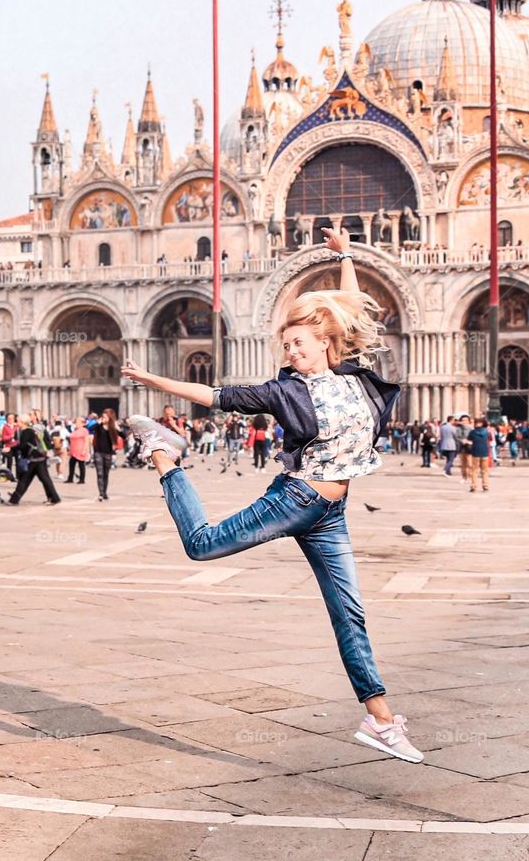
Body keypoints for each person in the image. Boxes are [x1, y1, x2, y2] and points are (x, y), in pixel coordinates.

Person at [121, 226, 423, 764]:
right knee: (202, 544)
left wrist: (346, 255)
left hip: (330, 513)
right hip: (296, 499)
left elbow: (349, 310)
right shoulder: (285, 391)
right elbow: (216, 395)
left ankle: (380, 721)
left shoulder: (354, 373)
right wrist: (153, 381)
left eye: (299, 344)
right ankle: (165, 454)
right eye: (285, 346)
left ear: (324, 342)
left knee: (348, 613)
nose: (292, 352)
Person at [6, 416, 61, 506]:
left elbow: (23, 446)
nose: (17, 422)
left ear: (23, 422)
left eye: (18, 421)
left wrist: (10, 448)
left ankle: (14, 500)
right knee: (42, 479)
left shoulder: (27, 431)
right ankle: (54, 498)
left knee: (25, 479)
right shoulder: (30, 430)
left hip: (34, 459)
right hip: (38, 458)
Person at [92, 408, 120, 501]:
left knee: (106, 474)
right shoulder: (99, 426)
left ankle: (104, 493)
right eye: (103, 416)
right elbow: (90, 429)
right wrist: (98, 422)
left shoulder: (112, 428)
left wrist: (117, 428)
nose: (103, 418)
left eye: (105, 416)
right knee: (100, 474)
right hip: (98, 452)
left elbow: (124, 435)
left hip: (108, 453)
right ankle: (100, 493)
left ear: (110, 417)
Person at [467, 417, 491, 492]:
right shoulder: (487, 432)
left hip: (475, 452)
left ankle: (473, 486)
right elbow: (490, 438)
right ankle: (485, 485)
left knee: (474, 470)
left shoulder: (473, 432)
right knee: (485, 471)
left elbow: (469, 439)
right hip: (485, 452)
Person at [67, 418, 91, 483]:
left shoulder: (85, 430)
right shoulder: (75, 430)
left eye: (78, 422)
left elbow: (86, 441)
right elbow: (71, 440)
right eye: (76, 422)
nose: (76, 423)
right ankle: (70, 478)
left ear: (82, 423)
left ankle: (82, 479)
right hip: (73, 450)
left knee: (81, 465)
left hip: (80, 450)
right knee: (71, 464)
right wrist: (69, 450)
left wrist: (84, 450)